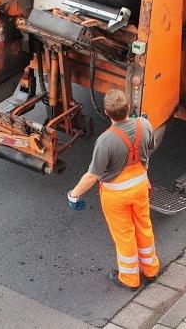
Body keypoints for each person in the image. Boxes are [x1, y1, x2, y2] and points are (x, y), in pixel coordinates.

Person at [67, 89, 160, 290]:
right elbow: (151, 144)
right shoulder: (144, 124)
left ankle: (130, 279)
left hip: (116, 196)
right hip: (141, 187)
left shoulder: (105, 141)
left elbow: (92, 175)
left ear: (107, 113)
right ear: (128, 107)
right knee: (144, 227)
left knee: (124, 235)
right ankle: (151, 270)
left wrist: (74, 195)